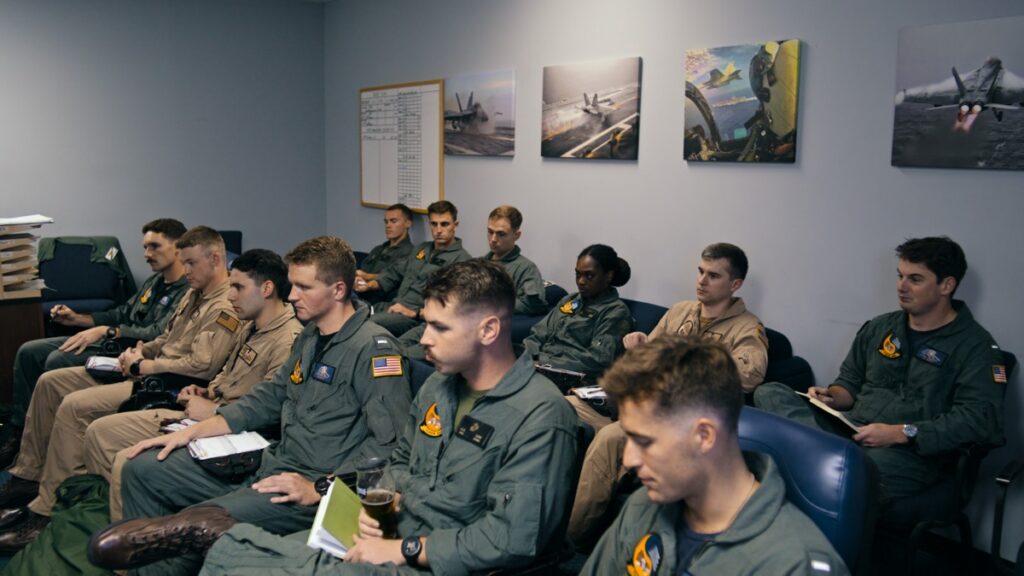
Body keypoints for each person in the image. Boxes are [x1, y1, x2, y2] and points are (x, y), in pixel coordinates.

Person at [94, 260, 577, 575]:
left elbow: (510, 539)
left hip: (433, 559)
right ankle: (214, 535)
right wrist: (370, 511)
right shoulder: (439, 386)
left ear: (490, 329)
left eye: (438, 327)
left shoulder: (539, 415)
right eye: (424, 323)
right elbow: (400, 463)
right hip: (389, 529)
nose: (423, 338)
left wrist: (406, 549)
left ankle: (215, 536)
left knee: (244, 564)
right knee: (274, 556)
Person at [88, 236, 411, 576]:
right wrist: (191, 433)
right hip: (271, 463)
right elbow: (269, 397)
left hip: (307, 487)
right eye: (292, 284)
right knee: (143, 469)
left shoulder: (375, 350)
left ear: (339, 289)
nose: (291, 295)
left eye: (303, 287)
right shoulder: (311, 336)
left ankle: (172, 549)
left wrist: (318, 488)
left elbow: (388, 447)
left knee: (199, 523)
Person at [0, 226, 240, 551]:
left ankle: (49, 511)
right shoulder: (192, 293)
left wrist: (147, 365)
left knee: (74, 407)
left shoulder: (224, 305)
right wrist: (142, 351)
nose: (187, 271)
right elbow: (166, 337)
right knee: (50, 381)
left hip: (170, 385)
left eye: (192, 263)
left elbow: (202, 366)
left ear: (215, 259)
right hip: (148, 368)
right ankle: (29, 476)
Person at [755, 236, 1005, 514]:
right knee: (770, 392)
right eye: (900, 276)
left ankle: (815, 460)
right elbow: (849, 384)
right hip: (850, 430)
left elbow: (978, 419)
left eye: (915, 279)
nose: (901, 286)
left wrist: (902, 433)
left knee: (850, 477)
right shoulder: (881, 327)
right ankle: (824, 457)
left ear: (946, 285)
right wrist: (832, 397)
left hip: (908, 453)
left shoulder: (976, 347)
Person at [581, 336, 848, 575]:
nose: (629, 460)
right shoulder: (644, 506)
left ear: (704, 436)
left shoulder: (793, 564)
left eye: (645, 442)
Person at [568, 242, 769, 544]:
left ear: (735, 284)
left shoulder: (747, 328)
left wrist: (679, 360)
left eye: (713, 275)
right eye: (700, 272)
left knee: (610, 439)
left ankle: (571, 541)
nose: (702, 281)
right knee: (560, 407)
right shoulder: (680, 312)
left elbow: (750, 376)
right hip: (637, 401)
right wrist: (639, 346)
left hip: (674, 420)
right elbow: (648, 360)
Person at [81, 249, 303, 521]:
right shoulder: (251, 325)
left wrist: (213, 408)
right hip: (203, 411)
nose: (230, 295)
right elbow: (225, 374)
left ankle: (129, 542)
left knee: (129, 462)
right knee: (100, 433)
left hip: (234, 430)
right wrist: (206, 391)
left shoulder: (289, 340)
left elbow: (270, 408)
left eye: (238, 287)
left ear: (267, 288)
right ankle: (117, 516)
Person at [1, 218, 189, 468]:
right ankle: (20, 433)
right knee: (29, 351)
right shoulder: (156, 282)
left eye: (154, 247)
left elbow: (158, 332)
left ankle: (51, 443)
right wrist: (79, 319)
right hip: (114, 338)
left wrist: (106, 331)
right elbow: (122, 312)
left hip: (131, 350)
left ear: (178, 247)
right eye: (145, 247)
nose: (146, 254)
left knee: (56, 360)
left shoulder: (187, 290)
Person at [398, 205, 547, 360]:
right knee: (395, 346)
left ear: (517, 235)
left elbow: (535, 304)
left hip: (466, 330)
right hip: (446, 319)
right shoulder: (478, 263)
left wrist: (490, 303)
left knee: (405, 356)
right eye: (490, 232)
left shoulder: (526, 268)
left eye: (501, 234)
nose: (493, 239)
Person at [356, 200, 472, 336]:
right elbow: (394, 273)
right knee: (349, 316)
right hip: (393, 306)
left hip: (414, 318)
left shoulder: (462, 261)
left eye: (444, 224)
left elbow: (452, 309)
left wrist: (415, 313)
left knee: (365, 326)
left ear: (455, 225)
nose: (438, 230)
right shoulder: (422, 249)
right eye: (434, 224)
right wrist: (368, 286)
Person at [523, 243, 634, 381]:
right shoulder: (569, 300)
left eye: (589, 275)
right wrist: (527, 357)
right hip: (537, 367)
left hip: (568, 377)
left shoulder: (615, 312)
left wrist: (544, 362)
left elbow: (596, 361)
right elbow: (538, 334)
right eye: (578, 274)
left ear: (608, 276)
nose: (581, 281)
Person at [355, 203, 415, 305]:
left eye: (393, 221)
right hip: (358, 294)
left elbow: (393, 277)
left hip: (378, 301)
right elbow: (362, 271)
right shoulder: (378, 249)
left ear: (408, 223)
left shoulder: (409, 253)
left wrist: (366, 277)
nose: (388, 225)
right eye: (386, 222)